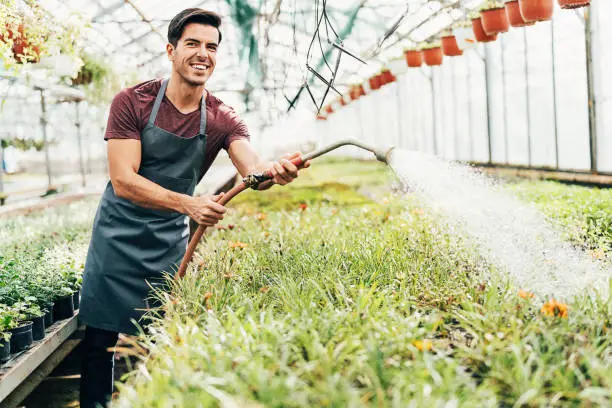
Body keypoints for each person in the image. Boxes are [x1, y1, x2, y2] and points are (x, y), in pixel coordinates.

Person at [78, 8, 309, 407]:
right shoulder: (132, 101)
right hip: (117, 234)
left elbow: (253, 170)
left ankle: (145, 398)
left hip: (167, 240)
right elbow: (123, 179)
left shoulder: (222, 118)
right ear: (171, 51)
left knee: (156, 333)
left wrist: (276, 172)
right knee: (99, 337)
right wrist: (190, 204)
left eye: (212, 47)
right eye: (193, 44)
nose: (203, 54)